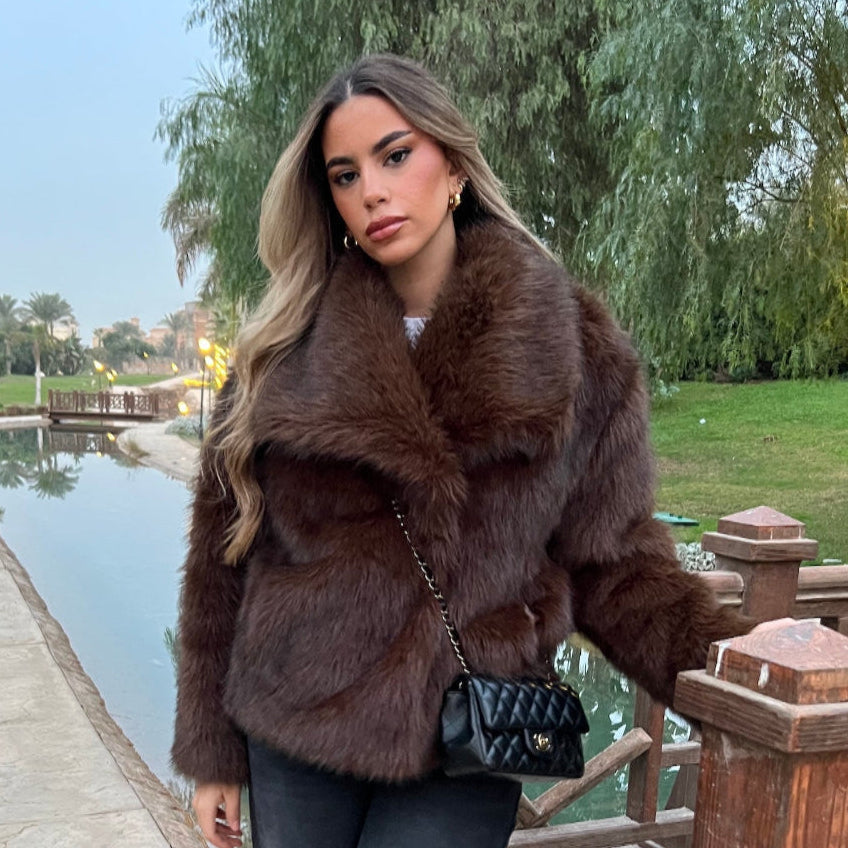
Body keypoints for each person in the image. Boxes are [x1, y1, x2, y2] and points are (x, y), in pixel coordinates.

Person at [171, 54, 753, 848]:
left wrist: (740, 671)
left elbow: (615, 565)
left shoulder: (573, 348)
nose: (372, 191)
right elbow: (220, 560)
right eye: (345, 175)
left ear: (452, 166)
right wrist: (210, 750)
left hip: (466, 732)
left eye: (395, 155)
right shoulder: (282, 351)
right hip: (296, 721)